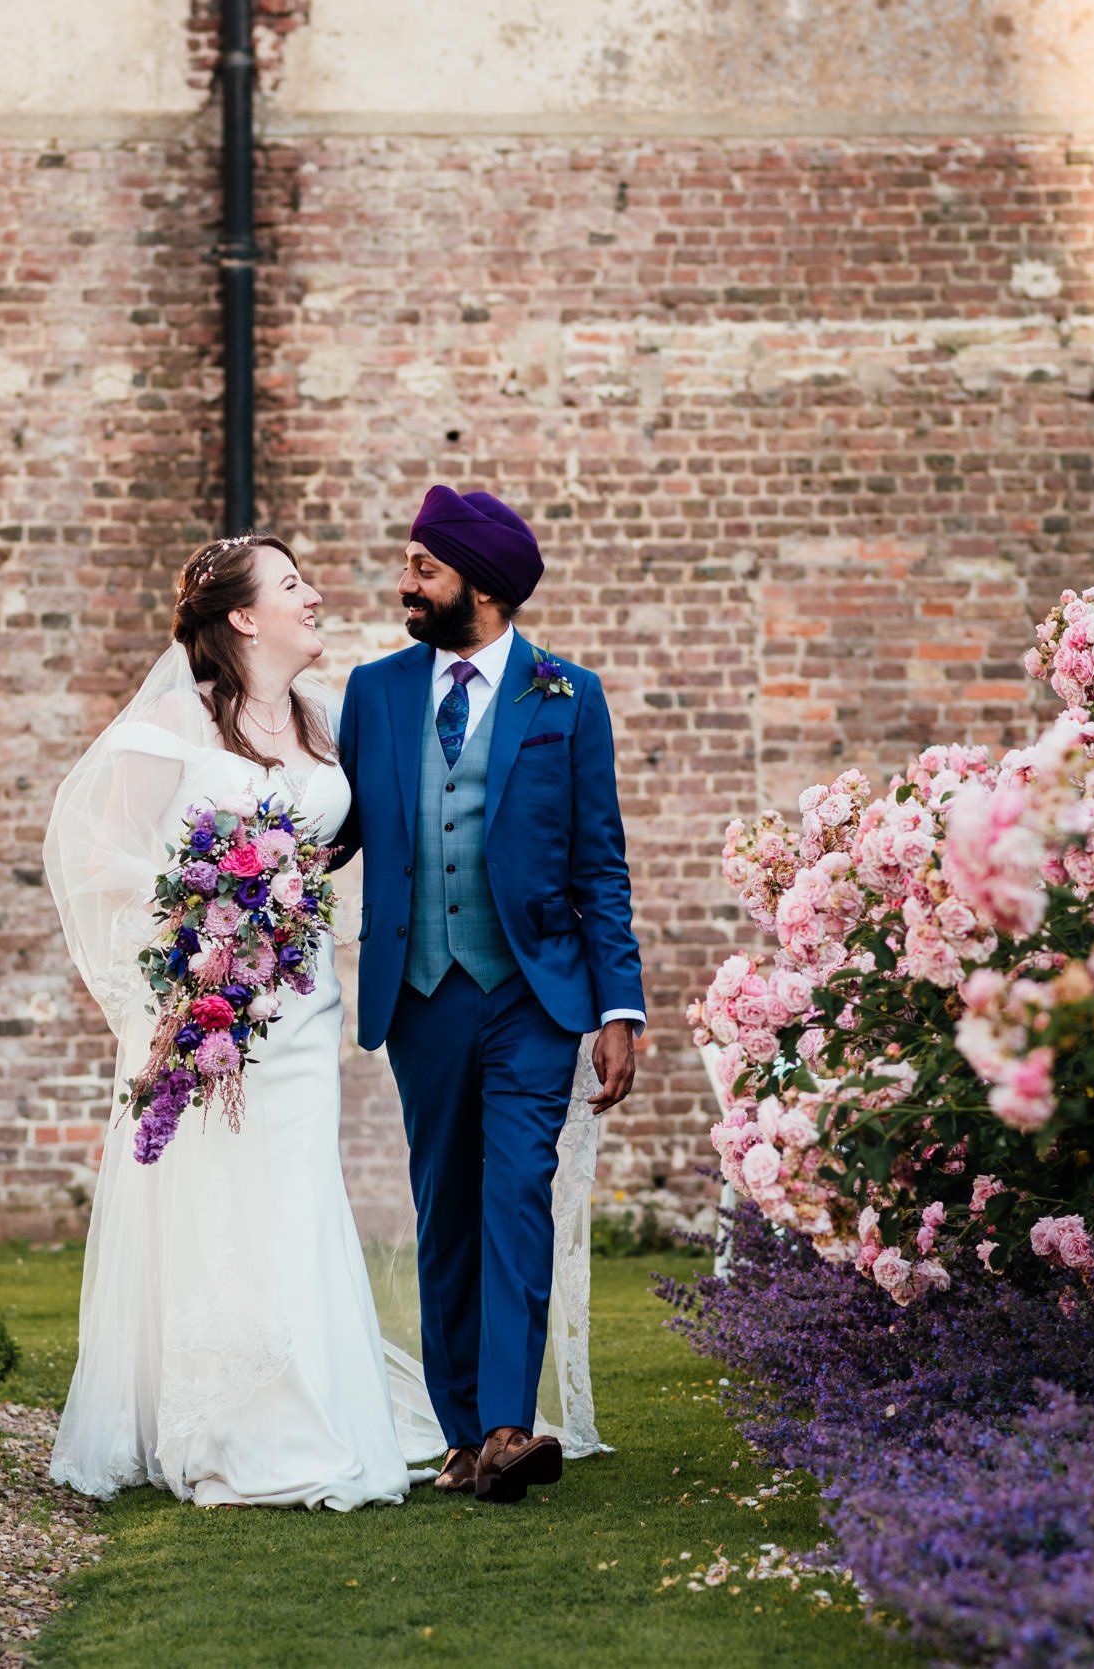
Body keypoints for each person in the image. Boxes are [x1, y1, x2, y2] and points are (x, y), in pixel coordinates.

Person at [43, 533, 416, 1510]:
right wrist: (211, 896)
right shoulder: (171, 720)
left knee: (296, 1195)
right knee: (222, 1204)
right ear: (244, 616)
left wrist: (282, 892)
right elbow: (98, 858)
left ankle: (319, 1402)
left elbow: (328, 847)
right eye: (294, 585)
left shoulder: (327, 724)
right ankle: (233, 1420)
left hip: (303, 1006)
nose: (316, 596)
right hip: (211, 1006)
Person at [330, 486, 646, 1503]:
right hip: (420, 991)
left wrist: (618, 1007)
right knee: (446, 1209)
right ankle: (461, 1432)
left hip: (533, 992)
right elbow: (333, 832)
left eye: (422, 567)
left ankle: (510, 1425)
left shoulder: (568, 695)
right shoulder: (373, 693)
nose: (403, 583)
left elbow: (599, 861)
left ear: (484, 585)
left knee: (515, 1191)